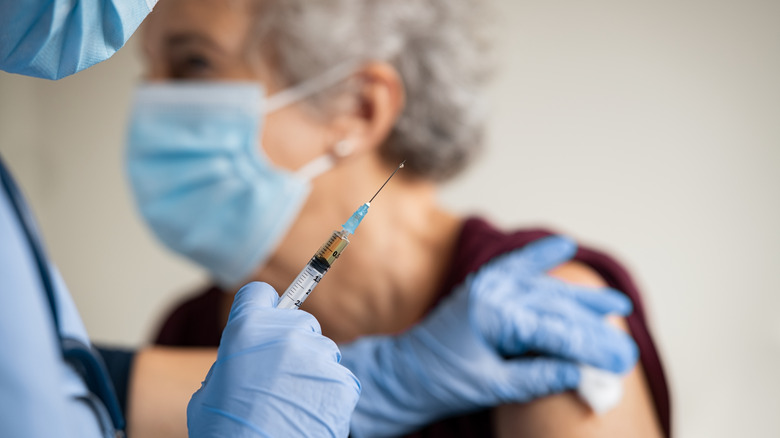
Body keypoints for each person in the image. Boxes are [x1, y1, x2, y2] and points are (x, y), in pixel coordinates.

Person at [0, 1, 642, 437]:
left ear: (361, 108)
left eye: (194, 63)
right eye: (153, 72)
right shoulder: (195, 329)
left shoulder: (536, 312)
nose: (153, 102)